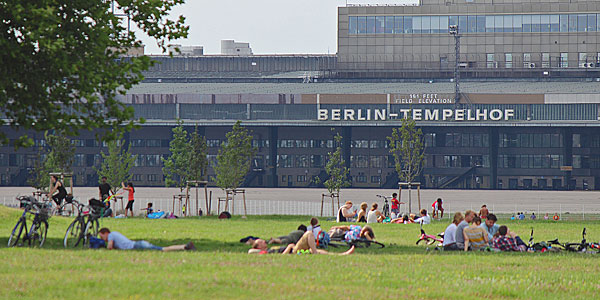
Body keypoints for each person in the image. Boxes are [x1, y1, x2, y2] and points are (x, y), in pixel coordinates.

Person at [248, 233, 355, 255]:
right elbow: (250, 251)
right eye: (260, 242)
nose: (263, 241)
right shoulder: (267, 253)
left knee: (317, 250)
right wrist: (289, 247)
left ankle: (341, 255)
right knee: (309, 234)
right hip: (292, 251)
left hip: (293, 249)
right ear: (259, 247)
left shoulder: (269, 249)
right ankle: (314, 252)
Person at [98, 228, 195, 251]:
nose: (103, 239)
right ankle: (184, 247)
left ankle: (185, 246)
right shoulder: (114, 233)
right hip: (137, 244)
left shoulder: (111, 235)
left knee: (162, 249)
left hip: (136, 245)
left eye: (102, 237)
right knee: (162, 249)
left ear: (105, 233)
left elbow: (109, 247)